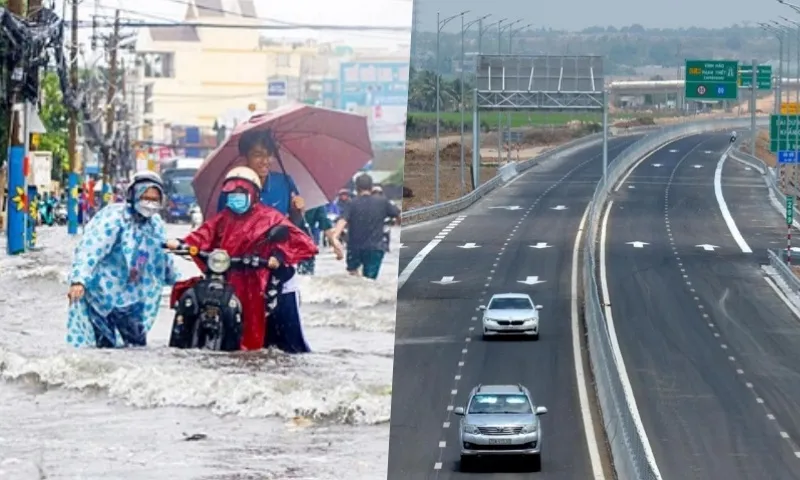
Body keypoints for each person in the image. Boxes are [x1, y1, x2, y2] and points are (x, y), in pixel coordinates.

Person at [166, 166, 318, 352]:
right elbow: (203, 235)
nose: (235, 196)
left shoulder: (270, 218)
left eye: (241, 191)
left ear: (253, 193)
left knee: (255, 333)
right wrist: (180, 243)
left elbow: (302, 243)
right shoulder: (223, 218)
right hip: (227, 277)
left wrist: (277, 256)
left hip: (256, 279)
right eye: (232, 192)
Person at [65, 171, 178, 348]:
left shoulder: (155, 224)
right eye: (145, 197)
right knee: (105, 348)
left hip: (132, 298)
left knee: (136, 347)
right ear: (133, 196)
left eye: (155, 199)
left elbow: (162, 258)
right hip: (103, 294)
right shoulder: (114, 218)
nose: (149, 203)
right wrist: (79, 280)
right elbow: (91, 249)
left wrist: (180, 284)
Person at [239, 129, 315, 353]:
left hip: (280, 264)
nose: (264, 160)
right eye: (257, 154)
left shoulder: (285, 182)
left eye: (268, 154)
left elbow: (295, 228)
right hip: (248, 267)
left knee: (290, 341)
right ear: (246, 157)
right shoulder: (236, 185)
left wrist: (297, 212)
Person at [333, 174, 401, 280]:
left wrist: (335, 238)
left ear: (356, 188)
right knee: (369, 281)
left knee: (352, 277)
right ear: (371, 187)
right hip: (375, 248)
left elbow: (342, 221)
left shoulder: (352, 204)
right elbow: (399, 216)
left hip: (354, 248)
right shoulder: (382, 202)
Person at [291, 203, 344, 275]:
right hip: (304, 244)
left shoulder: (285, 197)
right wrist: (335, 244)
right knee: (305, 277)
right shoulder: (315, 200)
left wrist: (335, 244)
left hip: (294, 244)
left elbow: (325, 224)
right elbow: (325, 224)